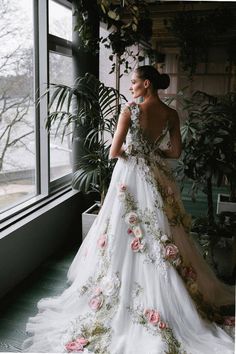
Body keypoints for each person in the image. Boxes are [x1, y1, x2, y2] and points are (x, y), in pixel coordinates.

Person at [22, 65, 234, 354]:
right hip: (157, 176)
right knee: (162, 231)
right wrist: (153, 153)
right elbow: (175, 152)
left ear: (146, 84)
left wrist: (135, 153)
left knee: (122, 229)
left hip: (130, 176)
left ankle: (120, 291)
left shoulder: (130, 110)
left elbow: (114, 151)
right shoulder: (171, 114)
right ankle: (170, 295)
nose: (131, 87)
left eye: (134, 82)